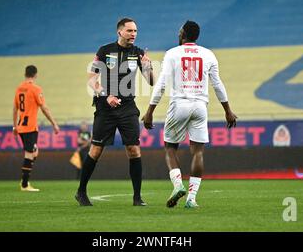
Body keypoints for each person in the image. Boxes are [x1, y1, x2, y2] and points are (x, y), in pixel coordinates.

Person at [142, 20, 237, 208]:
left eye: (179, 31)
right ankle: (192, 199)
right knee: (198, 151)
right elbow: (217, 84)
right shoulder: (208, 54)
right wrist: (228, 110)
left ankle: (178, 185)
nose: (178, 34)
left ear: (183, 34)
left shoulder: (172, 54)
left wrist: (150, 111)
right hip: (201, 106)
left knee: (170, 147)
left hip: (180, 104)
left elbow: (161, 84)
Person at [75, 17, 154, 206]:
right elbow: (91, 79)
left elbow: (151, 81)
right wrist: (106, 95)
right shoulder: (104, 51)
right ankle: (81, 192)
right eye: (130, 31)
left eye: (135, 31)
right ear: (120, 32)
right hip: (105, 107)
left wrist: (148, 67)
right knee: (96, 150)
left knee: (134, 149)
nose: (133, 34)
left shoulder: (138, 53)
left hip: (128, 107)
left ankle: (137, 197)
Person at [13, 65, 60, 192]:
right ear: (35, 75)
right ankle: (24, 184)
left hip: (21, 126)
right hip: (29, 127)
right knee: (29, 154)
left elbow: (15, 108)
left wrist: (14, 126)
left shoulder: (19, 89)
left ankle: (24, 177)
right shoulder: (35, 89)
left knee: (34, 152)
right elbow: (44, 108)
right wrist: (54, 123)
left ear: (25, 74)